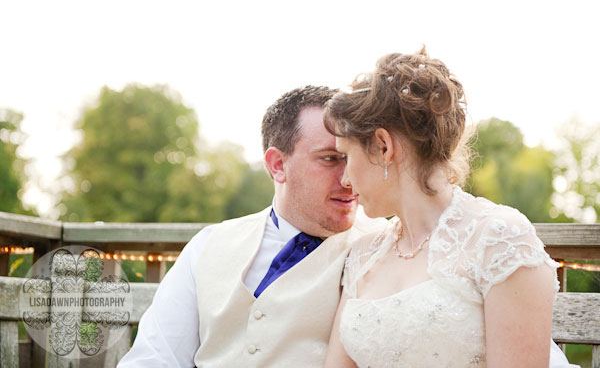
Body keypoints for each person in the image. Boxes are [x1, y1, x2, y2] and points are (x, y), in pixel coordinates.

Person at [322, 48, 579, 367]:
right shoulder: (362, 255)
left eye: (347, 156)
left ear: (384, 146)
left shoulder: (500, 241)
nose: (345, 179)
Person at [117, 85, 389, 368]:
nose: (348, 178)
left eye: (352, 157)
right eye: (330, 159)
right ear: (277, 165)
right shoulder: (208, 245)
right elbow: (156, 356)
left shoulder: (384, 247)